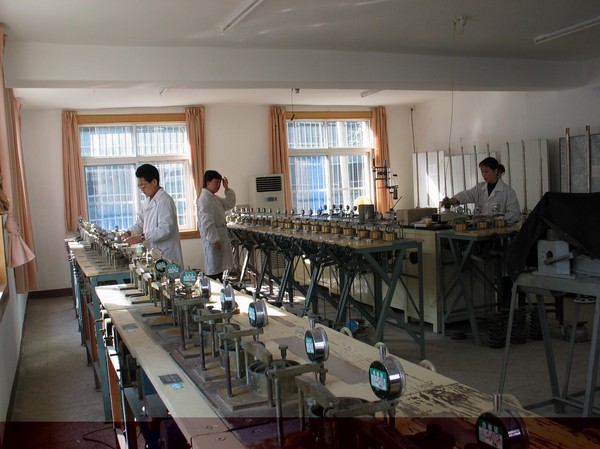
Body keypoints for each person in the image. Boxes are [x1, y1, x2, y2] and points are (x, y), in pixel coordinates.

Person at [122, 164, 184, 266]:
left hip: (166, 253)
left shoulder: (165, 200)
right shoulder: (147, 202)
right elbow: (140, 224)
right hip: (153, 253)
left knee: (167, 274)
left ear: (154, 182)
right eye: (139, 186)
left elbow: (165, 229)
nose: (141, 189)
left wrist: (141, 237)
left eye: (143, 185)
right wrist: (129, 232)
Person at [441, 157, 520, 222]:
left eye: (486, 171)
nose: (484, 174)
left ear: (496, 171)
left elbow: (514, 214)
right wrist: (452, 200)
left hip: (499, 231)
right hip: (480, 228)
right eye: (482, 171)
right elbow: (467, 195)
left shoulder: (507, 191)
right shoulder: (479, 188)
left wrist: (497, 219)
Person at [197, 170, 236, 281]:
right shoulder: (204, 199)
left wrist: (226, 188)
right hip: (213, 240)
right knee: (214, 269)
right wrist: (214, 240)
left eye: (219, 182)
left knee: (219, 269)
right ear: (208, 182)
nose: (218, 185)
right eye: (216, 182)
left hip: (219, 236)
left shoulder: (214, 198)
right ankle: (214, 288)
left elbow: (229, 203)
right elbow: (207, 222)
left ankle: (220, 285)